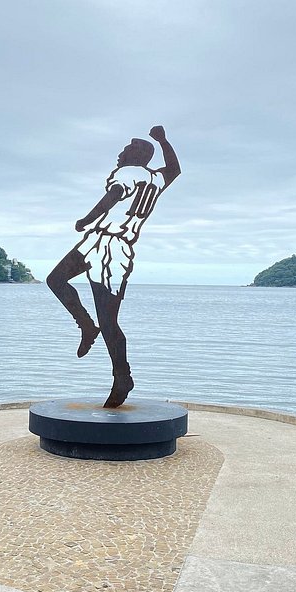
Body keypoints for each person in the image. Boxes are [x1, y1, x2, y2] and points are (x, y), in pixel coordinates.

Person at [46, 125, 181, 407]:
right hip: (101, 243)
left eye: (127, 150)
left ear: (137, 156)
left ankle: (123, 376)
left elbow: (113, 196)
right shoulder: (156, 179)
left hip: (111, 247)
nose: (120, 154)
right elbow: (174, 169)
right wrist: (164, 141)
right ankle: (85, 325)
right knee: (56, 280)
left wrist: (86, 219)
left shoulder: (129, 173)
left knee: (108, 320)